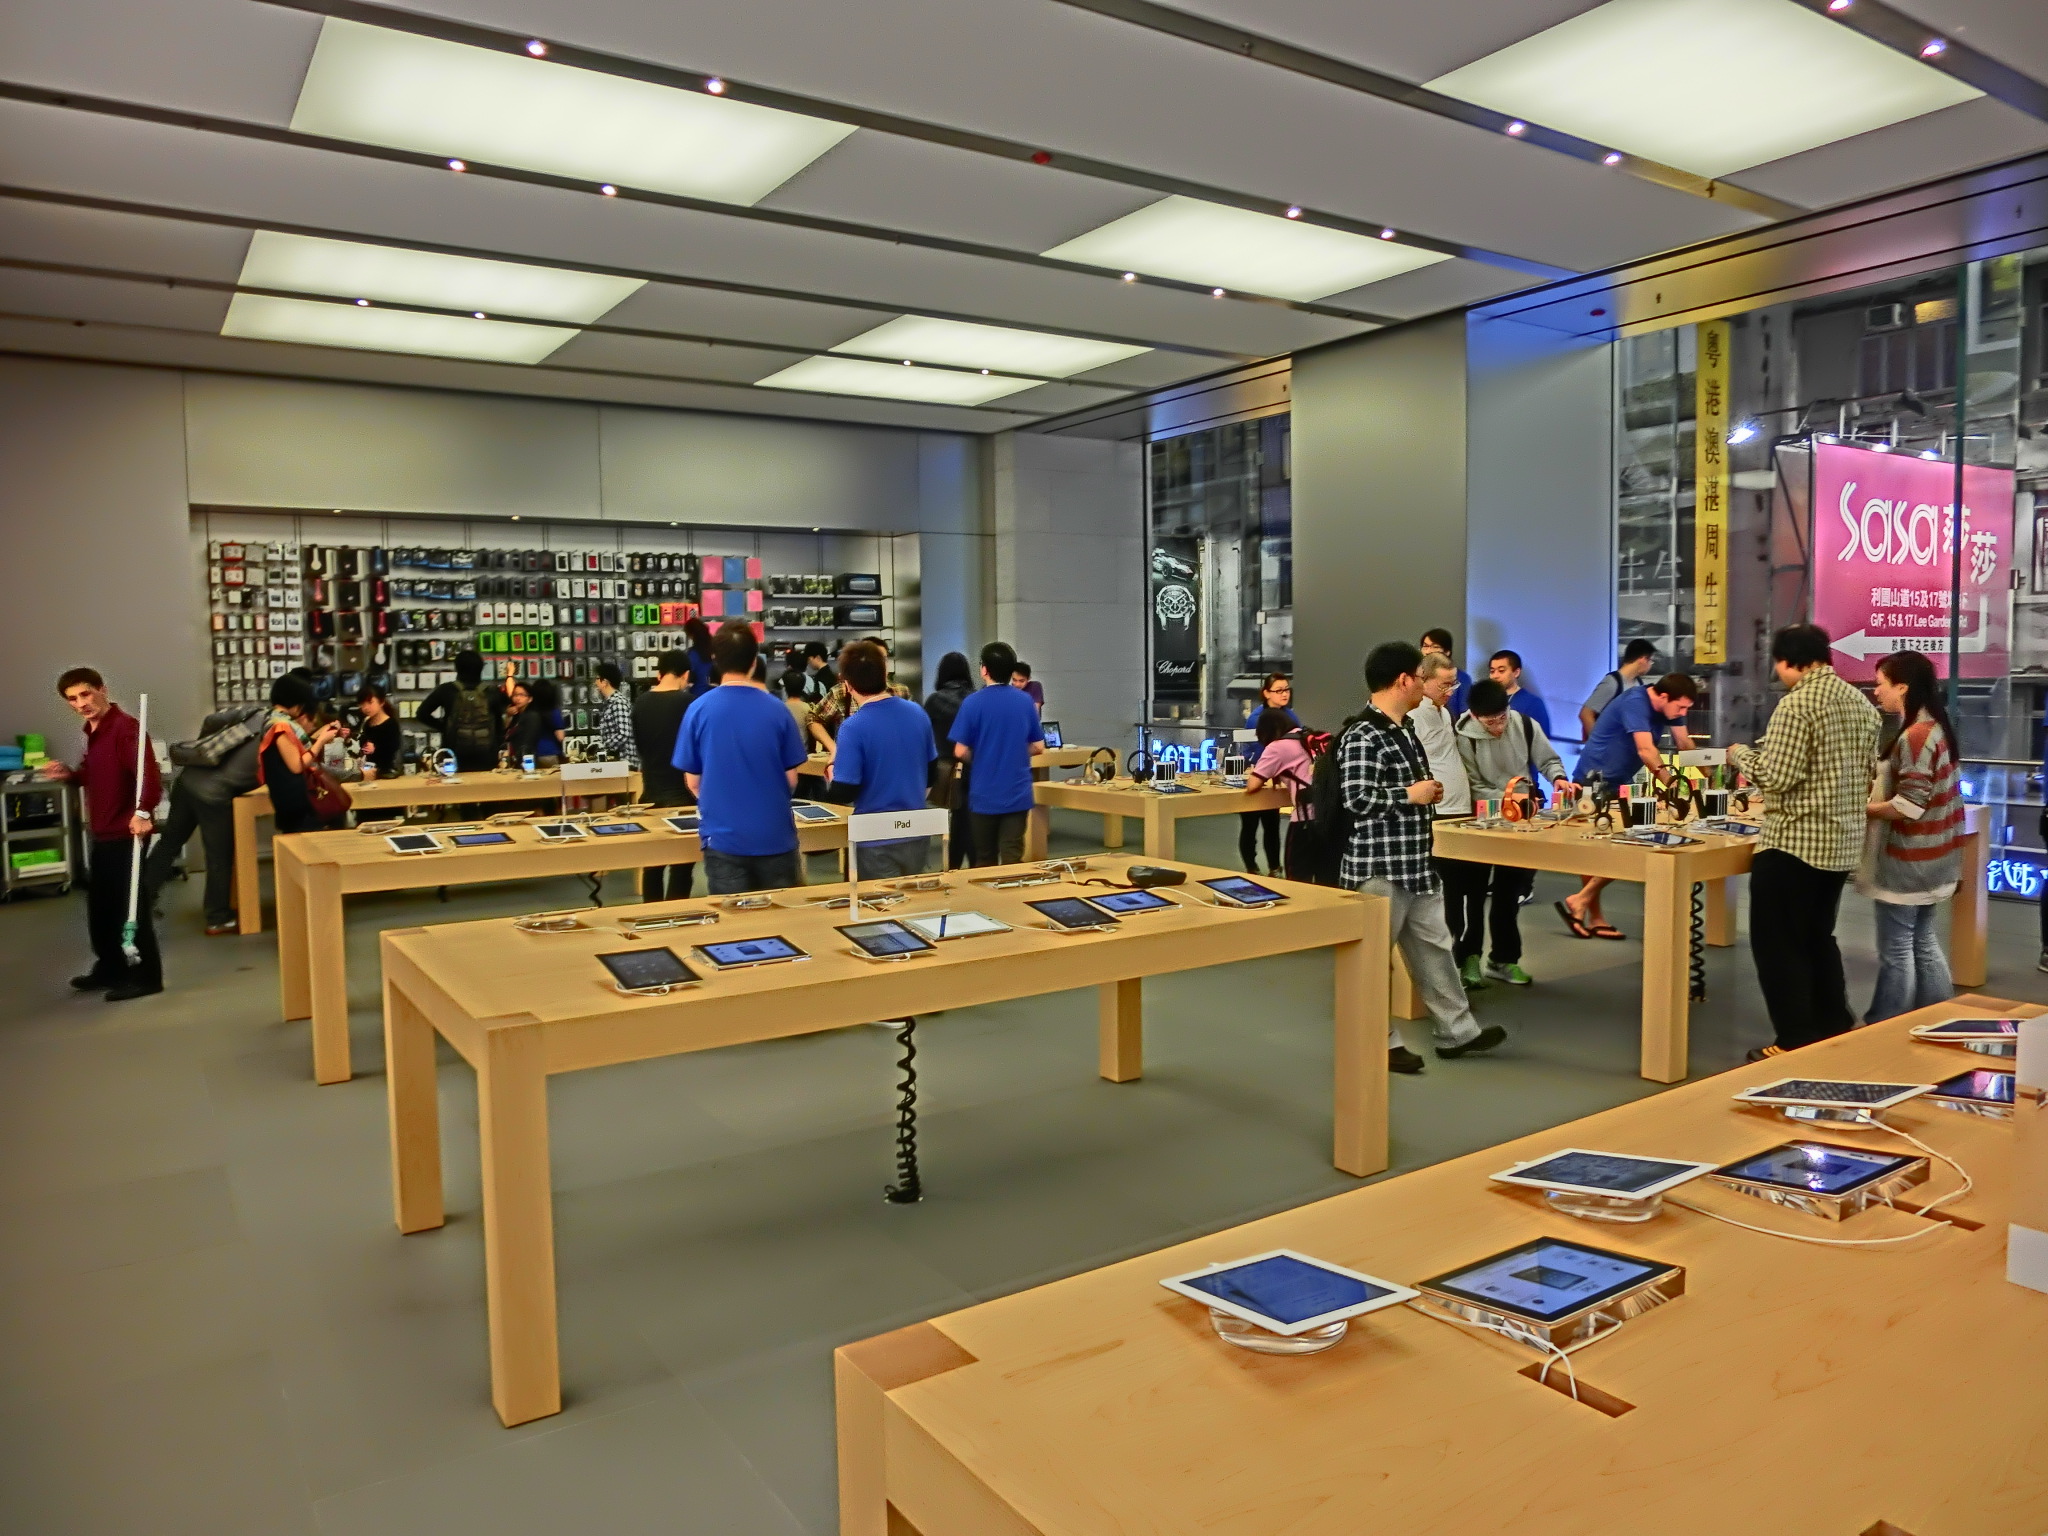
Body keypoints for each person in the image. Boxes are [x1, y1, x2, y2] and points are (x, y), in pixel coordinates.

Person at [1338, 640, 1504, 1072]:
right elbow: (1355, 799)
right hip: (1378, 866)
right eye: (1419, 674)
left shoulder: (1405, 729)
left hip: (1415, 861)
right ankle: (1380, 1042)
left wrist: (1425, 793)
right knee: (1373, 961)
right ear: (1403, 680)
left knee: (1436, 949)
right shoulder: (1363, 734)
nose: (1428, 684)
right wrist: (1410, 794)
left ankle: (1458, 1031)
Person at [1728, 624, 1881, 1060]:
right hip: (1838, 846)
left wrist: (1739, 754)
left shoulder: (1796, 706)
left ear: (1790, 660)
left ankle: (1793, 1039)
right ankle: (1834, 1021)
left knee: (1778, 946)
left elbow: (1777, 776)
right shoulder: (1861, 704)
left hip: (1793, 844)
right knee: (1817, 937)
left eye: (1778, 664)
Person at [43, 668, 163, 999]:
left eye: (85, 694)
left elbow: (147, 776)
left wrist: (142, 812)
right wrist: (70, 775)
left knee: (130, 909)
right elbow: (96, 775)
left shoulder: (125, 730)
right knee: (102, 908)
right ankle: (111, 967)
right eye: (73, 699)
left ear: (102, 690)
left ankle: (146, 977)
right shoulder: (94, 731)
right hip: (104, 831)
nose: (81, 703)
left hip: (127, 832)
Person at [1860, 650, 1963, 1023]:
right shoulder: (1936, 728)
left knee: (1897, 949)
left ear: (1902, 687)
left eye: (1880, 684)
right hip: (1933, 860)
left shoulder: (1915, 736)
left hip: (1908, 860)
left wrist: (1863, 810)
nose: (1876, 692)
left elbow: (1909, 804)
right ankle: (1937, 1018)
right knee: (1922, 940)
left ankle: (1883, 1025)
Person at [1558, 672, 1699, 940]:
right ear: (1664, 697)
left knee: (1620, 848)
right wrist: (1672, 785)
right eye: (1680, 707)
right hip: (1593, 780)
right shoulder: (1635, 702)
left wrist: (1711, 777)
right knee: (1599, 852)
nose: (1682, 712)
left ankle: (1583, 905)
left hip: (1621, 782)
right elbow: (1646, 751)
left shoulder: (1671, 707)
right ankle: (1590, 911)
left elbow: (1684, 743)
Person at [1453, 679, 1573, 989]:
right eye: (1490, 721)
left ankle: (1503, 960)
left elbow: (1547, 759)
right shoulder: (1463, 735)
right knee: (1473, 896)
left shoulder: (1524, 725)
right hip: (1481, 823)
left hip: (1520, 823)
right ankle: (1469, 959)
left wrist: (1558, 779)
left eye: (1502, 717)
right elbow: (1472, 785)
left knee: (1509, 895)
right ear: (1476, 716)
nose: (1498, 725)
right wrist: (1509, 799)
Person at [675, 621, 809, 894]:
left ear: (715, 659)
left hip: (724, 838)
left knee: (733, 930)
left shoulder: (697, 710)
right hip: (775, 835)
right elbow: (791, 780)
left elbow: (693, 782)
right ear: (753, 661)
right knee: (783, 923)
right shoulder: (778, 710)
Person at [144, 698, 265, 936]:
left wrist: (207, 747)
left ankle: (141, 904)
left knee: (169, 842)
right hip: (214, 794)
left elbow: (211, 720)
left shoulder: (255, 714)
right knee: (219, 855)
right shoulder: (283, 730)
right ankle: (217, 917)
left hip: (189, 780)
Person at [827, 640, 939, 878]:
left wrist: (830, 773)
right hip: (916, 830)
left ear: (846, 683)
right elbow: (932, 774)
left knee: (881, 909)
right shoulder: (918, 714)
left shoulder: (853, 727)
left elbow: (845, 791)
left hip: (874, 836)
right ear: (885, 673)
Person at [950, 640, 1045, 866]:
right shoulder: (1025, 701)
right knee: (1013, 855)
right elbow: (1039, 746)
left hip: (984, 792)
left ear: (984, 670)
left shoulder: (972, 703)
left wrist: (983, 756)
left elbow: (959, 750)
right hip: (1017, 790)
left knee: (985, 857)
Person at [633, 649, 696, 902]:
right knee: (682, 867)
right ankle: (676, 917)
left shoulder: (640, 703)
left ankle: (652, 916)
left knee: (652, 864)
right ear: (686, 674)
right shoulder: (689, 703)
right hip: (682, 795)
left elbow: (639, 748)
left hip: (649, 795)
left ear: (659, 673)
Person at [256, 672, 344, 839]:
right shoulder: (280, 726)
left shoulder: (272, 721)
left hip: (287, 801)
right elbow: (297, 765)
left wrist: (319, 736)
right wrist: (321, 741)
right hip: (296, 802)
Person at [415, 649, 504, 772]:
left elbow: (421, 713)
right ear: (481, 668)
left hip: (454, 753)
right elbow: (500, 725)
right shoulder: (492, 692)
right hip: (487, 755)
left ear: (457, 667)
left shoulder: (446, 690)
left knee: (454, 788)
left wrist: (443, 726)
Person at [1238, 709, 1301, 875]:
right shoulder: (1303, 737)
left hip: (1305, 817)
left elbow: (1252, 785)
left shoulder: (1277, 747)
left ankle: (1253, 869)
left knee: (1298, 872)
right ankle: (1275, 868)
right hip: (1327, 812)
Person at [1578, 638, 1658, 740]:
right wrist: (1598, 743)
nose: (1650, 665)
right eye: (1651, 661)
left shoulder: (1639, 685)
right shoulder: (1612, 682)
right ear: (1642, 659)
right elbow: (1585, 714)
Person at [503, 676, 565, 767]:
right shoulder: (552, 712)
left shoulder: (529, 714)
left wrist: (510, 675)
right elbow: (561, 737)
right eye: (516, 695)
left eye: (521, 695)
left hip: (531, 755)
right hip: (550, 752)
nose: (518, 698)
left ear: (532, 697)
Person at [1486, 650, 1551, 734]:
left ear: (1516, 673)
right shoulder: (1484, 701)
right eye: (1492, 671)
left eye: (1501, 671)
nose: (1495, 676)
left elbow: (1541, 740)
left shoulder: (1532, 703)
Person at [353, 683, 403, 780]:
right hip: (368, 770)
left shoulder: (390, 724)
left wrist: (376, 748)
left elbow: (394, 748)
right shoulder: (366, 722)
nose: (366, 707)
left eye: (370, 702)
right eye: (362, 704)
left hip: (386, 772)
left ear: (381, 702)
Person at [592, 661, 637, 767]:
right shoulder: (610, 703)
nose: (595, 682)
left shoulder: (618, 703)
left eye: (597, 678)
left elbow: (624, 733)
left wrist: (603, 746)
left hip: (625, 763)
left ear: (605, 682)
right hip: (618, 762)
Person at [1420, 628, 1472, 717]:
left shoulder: (1463, 678)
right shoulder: (1414, 676)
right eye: (1425, 646)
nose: (1428, 651)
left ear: (1447, 652)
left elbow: (1464, 711)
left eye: (1435, 647)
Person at [682, 618, 719, 701]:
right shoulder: (717, 649)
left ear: (691, 635)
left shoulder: (692, 654)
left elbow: (689, 678)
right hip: (717, 695)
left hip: (697, 696)